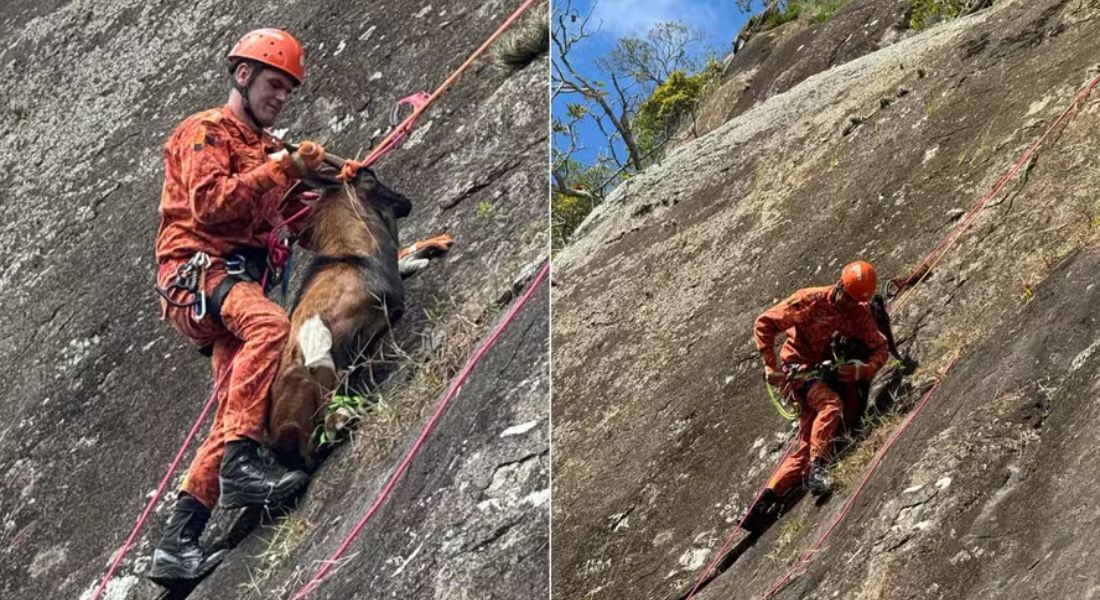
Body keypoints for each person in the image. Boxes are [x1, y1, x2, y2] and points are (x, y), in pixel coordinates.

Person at [148, 28, 324, 587]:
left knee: (236, 410)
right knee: (272, 326)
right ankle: (242, 468)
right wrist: (283, 169)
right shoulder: (205, 131)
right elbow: (211, 203)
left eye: (289, 91)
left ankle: (178, 543)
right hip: (200, 274)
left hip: (235, 282)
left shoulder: (264, 150)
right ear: (243, 75)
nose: (281, 97)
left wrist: (331, 182)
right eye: (275, 84)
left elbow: (290, 218)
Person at [743, 261, 888, 531]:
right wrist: (770, 366)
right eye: (845, 295)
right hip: (796, 369)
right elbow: (765, 323)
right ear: (839, 284)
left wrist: (863, 370)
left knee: (807, 440)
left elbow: (880, 347)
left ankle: (766, 501)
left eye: (853, 300)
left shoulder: (858, 314)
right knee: (830, 405)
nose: (846, 303)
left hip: (821, 371)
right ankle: (817, 468)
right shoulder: (809, 300)